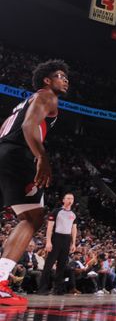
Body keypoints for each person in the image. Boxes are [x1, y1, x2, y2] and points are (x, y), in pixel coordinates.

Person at [0, 60, 68, 307]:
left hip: (5, 152)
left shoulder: (23, 103)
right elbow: (29, 126)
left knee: (28, 218)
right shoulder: (46, 96)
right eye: (60, 76)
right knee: (32, 218)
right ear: (47, 81)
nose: (65, 79)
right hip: (19, 154)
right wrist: (41, 157)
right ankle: (0, 284)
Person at [39, 193, 78, 294]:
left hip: (66, 239)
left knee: (62, 265)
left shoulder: (73, 214)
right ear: (63, 200)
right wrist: (48, 241)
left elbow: (74, 229)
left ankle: (58, 289)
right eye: (68, 198)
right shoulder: (56, 211)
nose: (70, 200)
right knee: (49, 264)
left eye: (72, 198)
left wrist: (73, 243)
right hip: (56, 237)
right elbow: (50, 227)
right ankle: (42, 288)